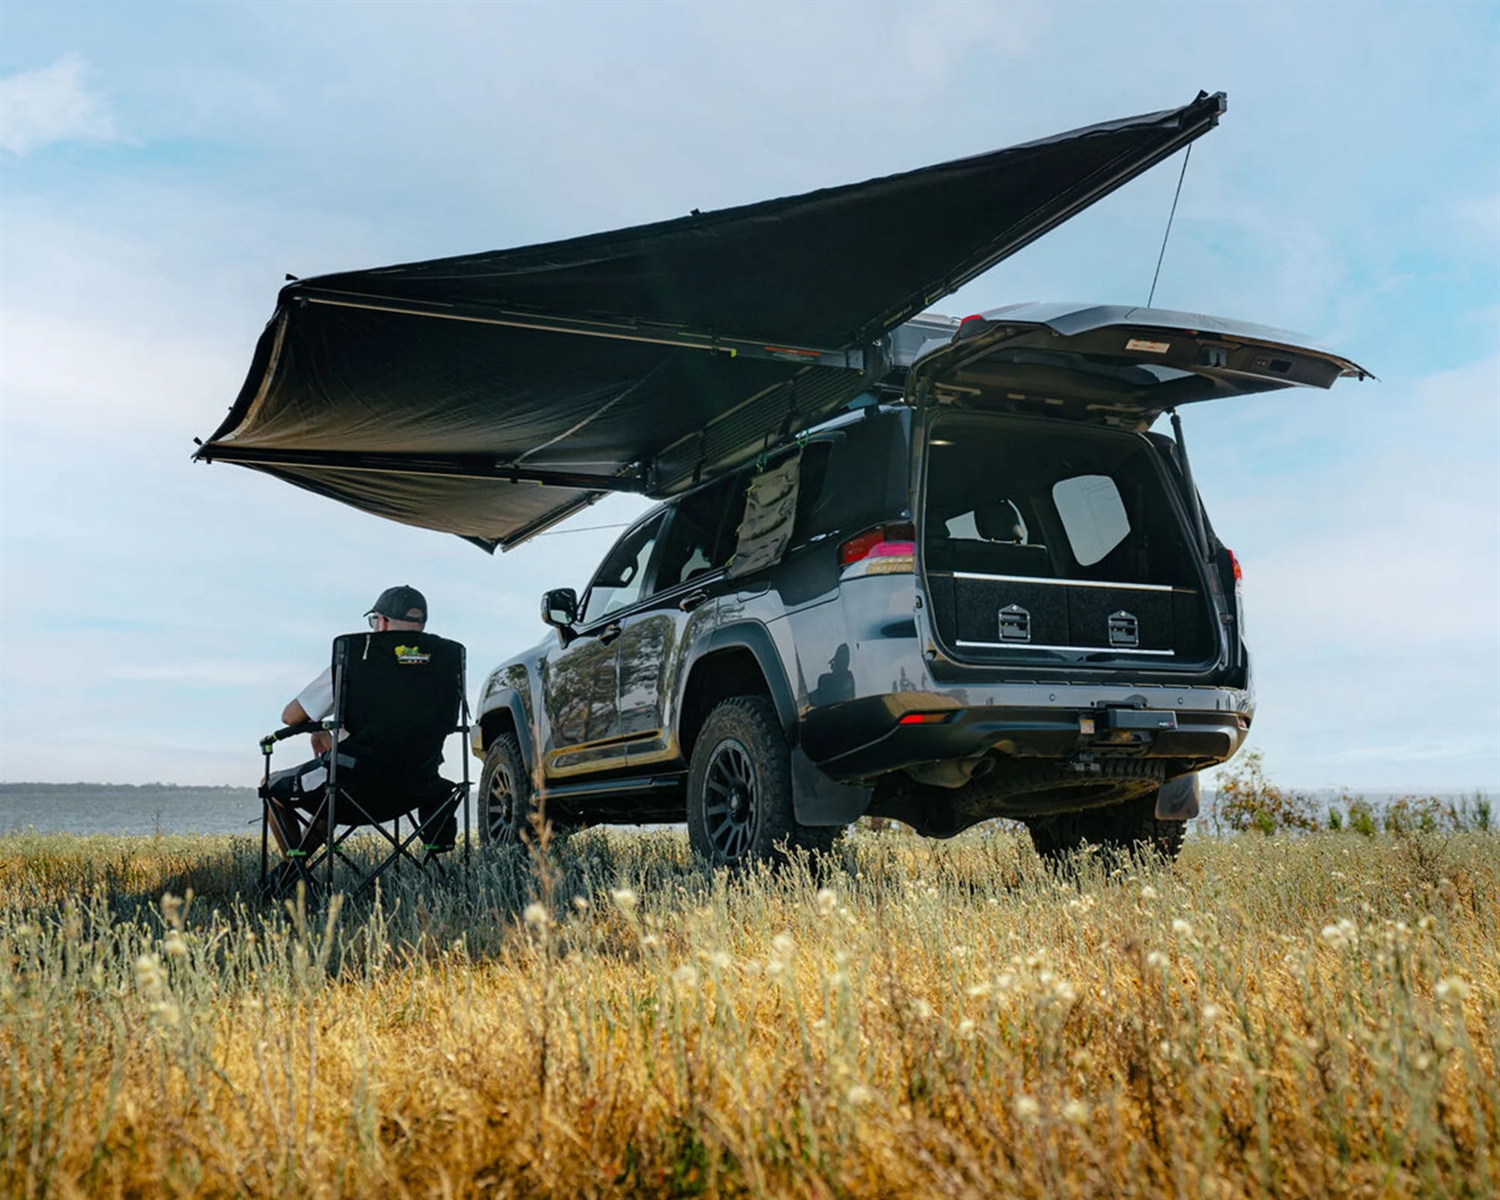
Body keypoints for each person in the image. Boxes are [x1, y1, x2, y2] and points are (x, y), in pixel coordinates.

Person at [264, 584, 445, 854]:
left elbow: (290, 716)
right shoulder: (443, 663)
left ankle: (293, 869)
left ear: (382, 622)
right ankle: (294, 870)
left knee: (272, 786)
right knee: (333, 780)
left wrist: (318, 728)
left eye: (374, 620)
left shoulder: (358, 658)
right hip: (417, 788)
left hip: (355, 788)